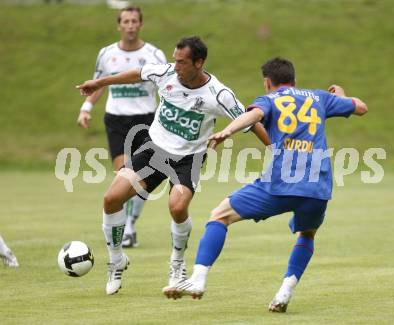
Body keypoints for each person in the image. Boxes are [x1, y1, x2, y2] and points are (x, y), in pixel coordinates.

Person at [163, 57, 368, 312]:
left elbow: (254, 116)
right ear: (294, 80)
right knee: (307, 234)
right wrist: (341, 95)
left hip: (280, 183)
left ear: (267, 82)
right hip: (317, 188)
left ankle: (198, 279)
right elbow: (361, 107)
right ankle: (285, 292)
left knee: (219, 216)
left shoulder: (269, 99)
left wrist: (227, 131)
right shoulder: (319, 97)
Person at [76, 36, 270, 295]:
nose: (175, 66)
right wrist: (99, 83)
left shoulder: (218, 94)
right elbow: (137, 73)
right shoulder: (166, 73)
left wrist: (275, 148)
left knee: (177, 207)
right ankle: (116, 260)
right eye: (175, 60)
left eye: (182, 62)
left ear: (199, 62)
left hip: (188, 159)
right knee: (111, 199)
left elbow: (250, 120)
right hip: (153, 150)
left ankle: (177, 265)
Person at [77, 6, 166, 249]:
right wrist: (86, 107)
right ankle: (127, 228)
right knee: (124, 174)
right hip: (116, 120)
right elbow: (98, 84)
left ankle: (130, 225)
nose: (130, 25)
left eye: (134, 21)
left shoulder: (154, 54)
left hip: (147, 120)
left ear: (140, 24)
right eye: (125, 21)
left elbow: (168, 86)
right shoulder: (106, 54)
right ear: (119, 25)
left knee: (141, 178)